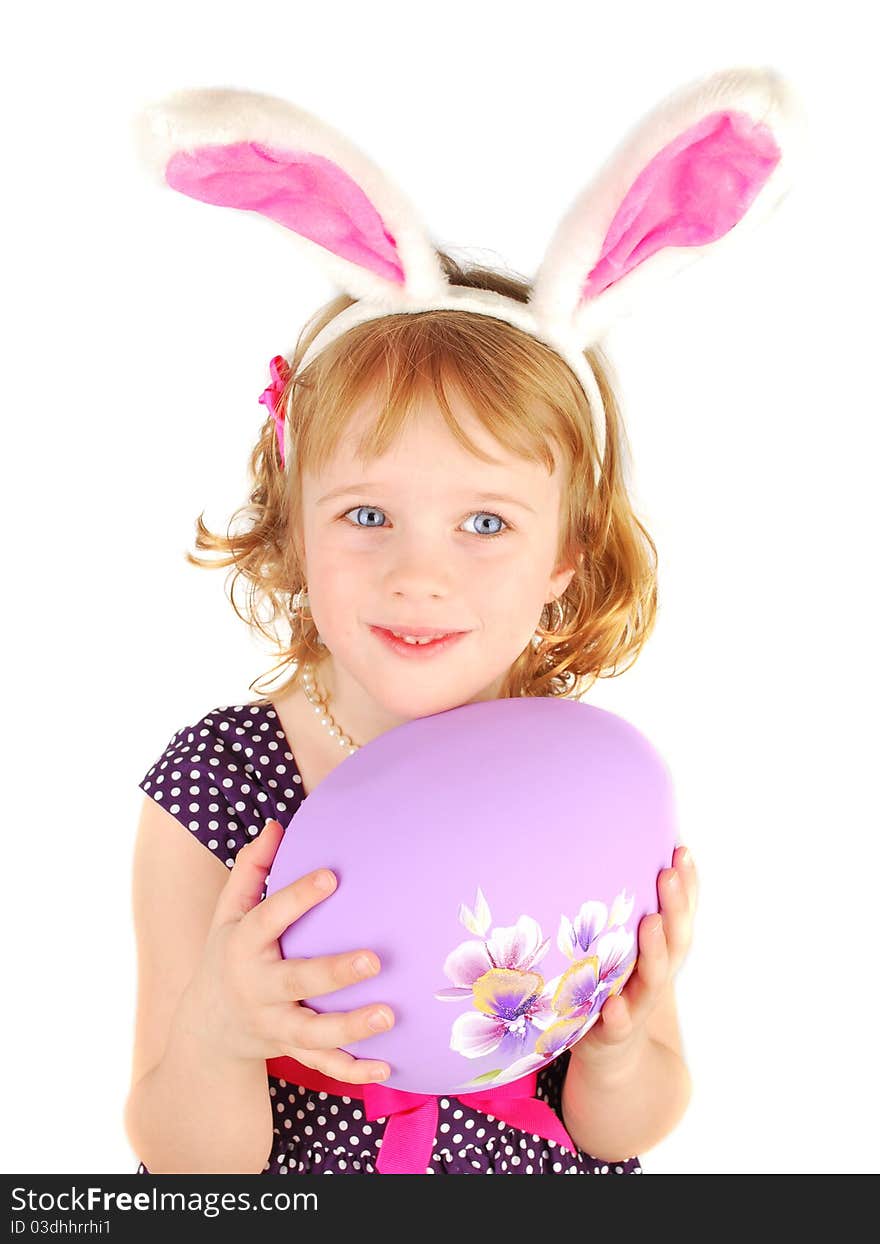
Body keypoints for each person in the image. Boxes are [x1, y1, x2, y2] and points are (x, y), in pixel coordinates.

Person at [124, 68, 800, 1174]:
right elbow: (184, 1166)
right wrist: (218, 1030)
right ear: (290, 525)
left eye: (485, 520)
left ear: (564, 558)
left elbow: (625, 1122)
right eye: (366, 513)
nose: (417, 572)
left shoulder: (586, 786)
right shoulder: (222, 788)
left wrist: (624, 1040)